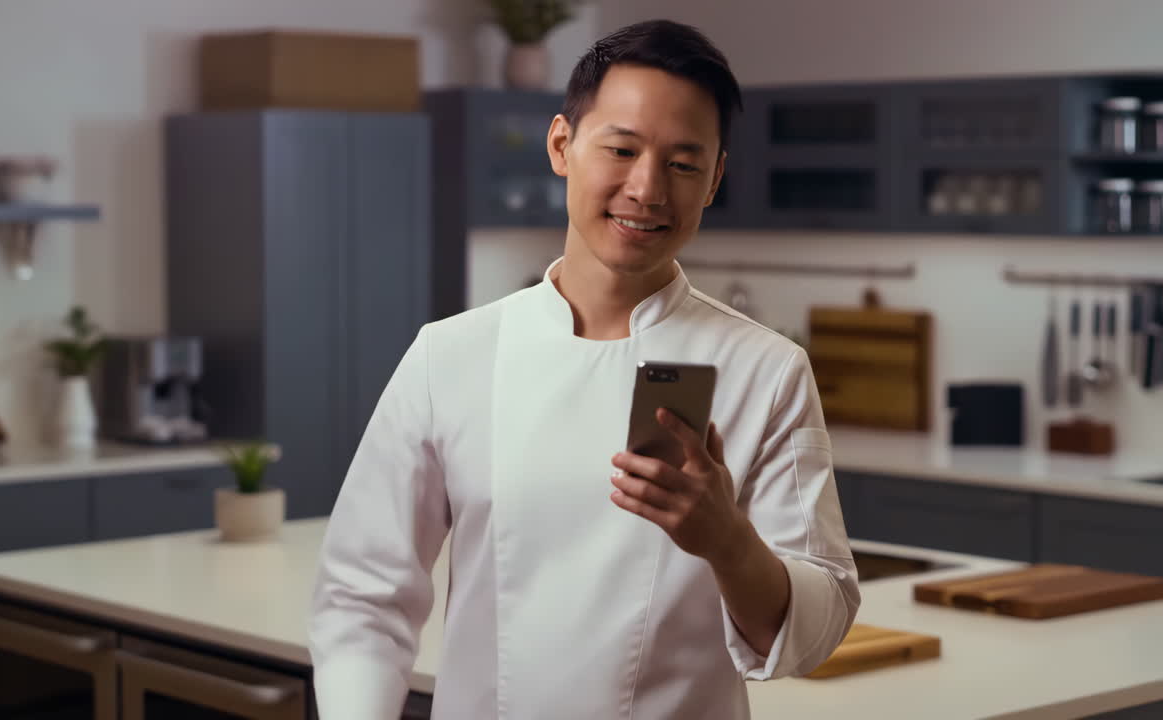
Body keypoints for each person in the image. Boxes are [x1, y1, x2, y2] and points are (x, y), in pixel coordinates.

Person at [309, 19, 860, 719]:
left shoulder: (765, 372)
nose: (647, 188)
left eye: (684, 164)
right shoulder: (450, 357)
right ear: (562, 145)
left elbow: (819, 626)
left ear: (716, 178)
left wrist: (728, 543)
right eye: (622, 149)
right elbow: (362, 596)